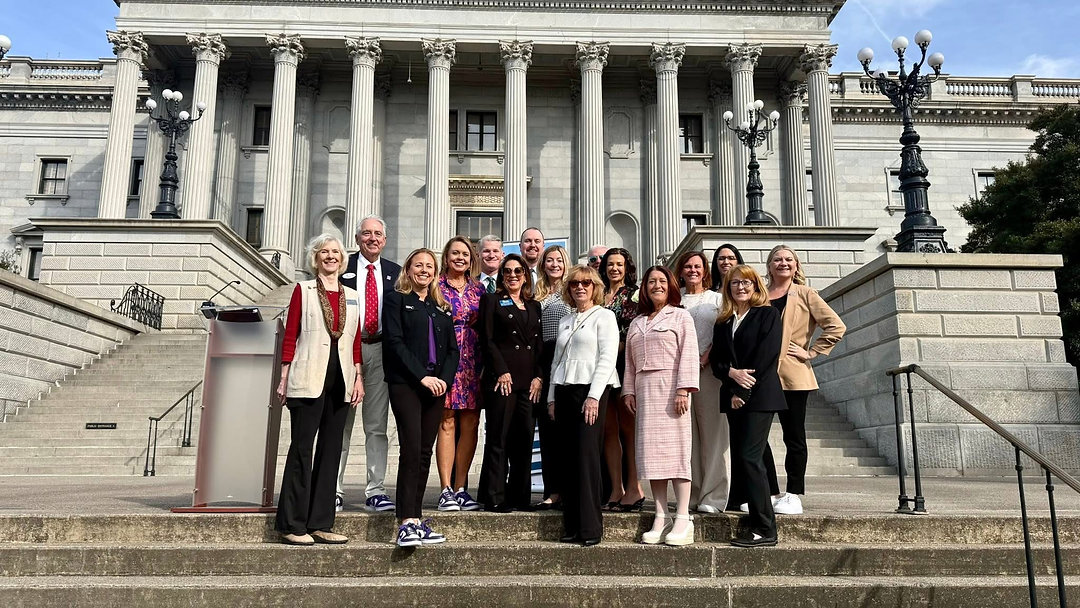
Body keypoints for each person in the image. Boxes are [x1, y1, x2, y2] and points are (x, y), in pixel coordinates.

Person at [275, 234, 364, 546]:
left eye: (335, 252)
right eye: (324, 252)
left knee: (331, 450)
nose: (330, 256)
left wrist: (359, 377)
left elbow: (355, 340)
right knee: (302, 448)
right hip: (308, 376)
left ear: (342, 259)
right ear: (316, 258)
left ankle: (321, 523)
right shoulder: (304, 290)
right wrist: (284, 376)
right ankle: (292, 524)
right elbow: (291, 334)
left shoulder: (352, 295)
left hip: (342, 379)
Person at [762, 245, 846, 515]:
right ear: (769, 265)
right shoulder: (759, 294)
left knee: (794, 436)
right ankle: (770, 491)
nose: (783, 263)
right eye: (777, 259)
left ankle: (793, 493)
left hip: (793, 375)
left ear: (796, 265)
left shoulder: (806, 294)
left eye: (789, 259)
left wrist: (811, 352)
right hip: (762, 375)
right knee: (756, 437)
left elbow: (836, 326)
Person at [383, 248, 460, 547]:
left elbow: (452, 350)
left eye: (429, 266)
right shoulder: (396, 300)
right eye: (419, 265)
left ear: (435, 273)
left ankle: (416, 518)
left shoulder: (441, 307)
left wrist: (445, 380)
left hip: (436, 387)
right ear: (408, 269)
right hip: (407, 384)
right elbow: (394, 343)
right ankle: (406, 521)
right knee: (412, 449)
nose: (424, 270)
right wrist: (422, 377)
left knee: (425, 451)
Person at [622, 266, 699, 546]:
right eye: (651, 281)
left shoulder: (680, 316)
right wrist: (628, 390)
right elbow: (629, 363)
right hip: (644, 392)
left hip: (671, 390)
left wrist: (683, 389)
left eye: (662, 281)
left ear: (671, 286)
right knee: (651, 457)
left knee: (677, 455)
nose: (657, 285)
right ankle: (660, 514)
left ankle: (683, 517)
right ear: (644, 288)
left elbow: (689, 354)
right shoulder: (637, 322)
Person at [710, 264, 785, 548]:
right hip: (732, 397)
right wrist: (731, 378)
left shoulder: (767, 314)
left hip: (760, 396)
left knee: (750, 458)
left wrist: (742, 391)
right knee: (747, 459)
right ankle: (757, 522)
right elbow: (717, 362)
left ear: (755, 285)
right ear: (728, 288)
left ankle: (765, 529)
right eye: (734, 283)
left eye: (746, 282)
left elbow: (766, 357)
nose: (740, 287)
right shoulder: (724, 321)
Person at [547, 265, 619, 546]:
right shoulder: (565, 320)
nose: (580, 287)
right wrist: (551, 397)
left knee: (587, 458)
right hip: (564, 390)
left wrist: (594, 396)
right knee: (567, 459)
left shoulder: (605, 316)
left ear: (595, 287)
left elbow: (607, 357)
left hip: (590, 390)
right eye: (575, 283)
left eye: (586, 283)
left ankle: (590, 528)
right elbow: (556, 361)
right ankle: (572, 525)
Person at [338, 215, 401, 513]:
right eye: (366, 233)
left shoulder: (395, 273)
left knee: (376, 426)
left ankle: (376, 490)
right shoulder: (342, 268)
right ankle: (332, 488)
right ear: (357, 238)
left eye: (378, 234)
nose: (372, 238)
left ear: (385, 240)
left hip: (380, 351)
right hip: (346, 351)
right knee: (341, 424)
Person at [478, 253, 543, 512]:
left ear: (525, 276)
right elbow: (487, 339)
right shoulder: (492, 300)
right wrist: (501, 371)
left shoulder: (534, 306)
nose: (513, 275)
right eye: (507, 271)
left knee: (524, 438)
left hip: (528, 382)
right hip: (502, 380)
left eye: (518, 271)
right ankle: (494, 495)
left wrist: (539, 376)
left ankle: (520, 496)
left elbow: (538, 345)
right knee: (499, 437)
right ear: (502, 276)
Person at [676, 250, 730, 515]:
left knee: (713, 435)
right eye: (687, 266)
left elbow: (724, 332)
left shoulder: (716, 299)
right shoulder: (674, 300)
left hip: (708, 372)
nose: (692, 270)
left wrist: (707, 356)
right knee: (687, 437)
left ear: (705, 270)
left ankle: (714, 496)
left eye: (697, 266)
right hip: (679, 374)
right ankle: (693, 494)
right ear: (681, 271)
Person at [434, 236, 485, 512]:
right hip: (446, 359)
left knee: (471, 422)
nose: (460, 258)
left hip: (473, 361)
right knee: (447, 420)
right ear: (446, 257)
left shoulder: (479, 289)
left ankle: (461, 487)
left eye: (465, 254)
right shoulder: (436, 286)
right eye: (455, 253)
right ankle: (445, 489)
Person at [599, 247, 645, 511]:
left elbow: (635, 329)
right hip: (601, 368)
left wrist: (615, 346)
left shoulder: (635, 294)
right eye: (610, 264)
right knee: (609, 429)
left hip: (624, 364)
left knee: (628, 430)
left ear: (627, 268)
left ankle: (634, 487)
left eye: (619, 264)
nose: (614, 268)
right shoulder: (597, 293)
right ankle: (615, 488)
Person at [534, 244, 573, 510]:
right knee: (547, 429)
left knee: (564, 429)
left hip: (566, 358)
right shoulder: (534, 292)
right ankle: (552, 490)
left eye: (559, 260)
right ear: (543, 264)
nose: (554, 264)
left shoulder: (572, 290)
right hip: (541, 360)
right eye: (550, 260)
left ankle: (568, 489)